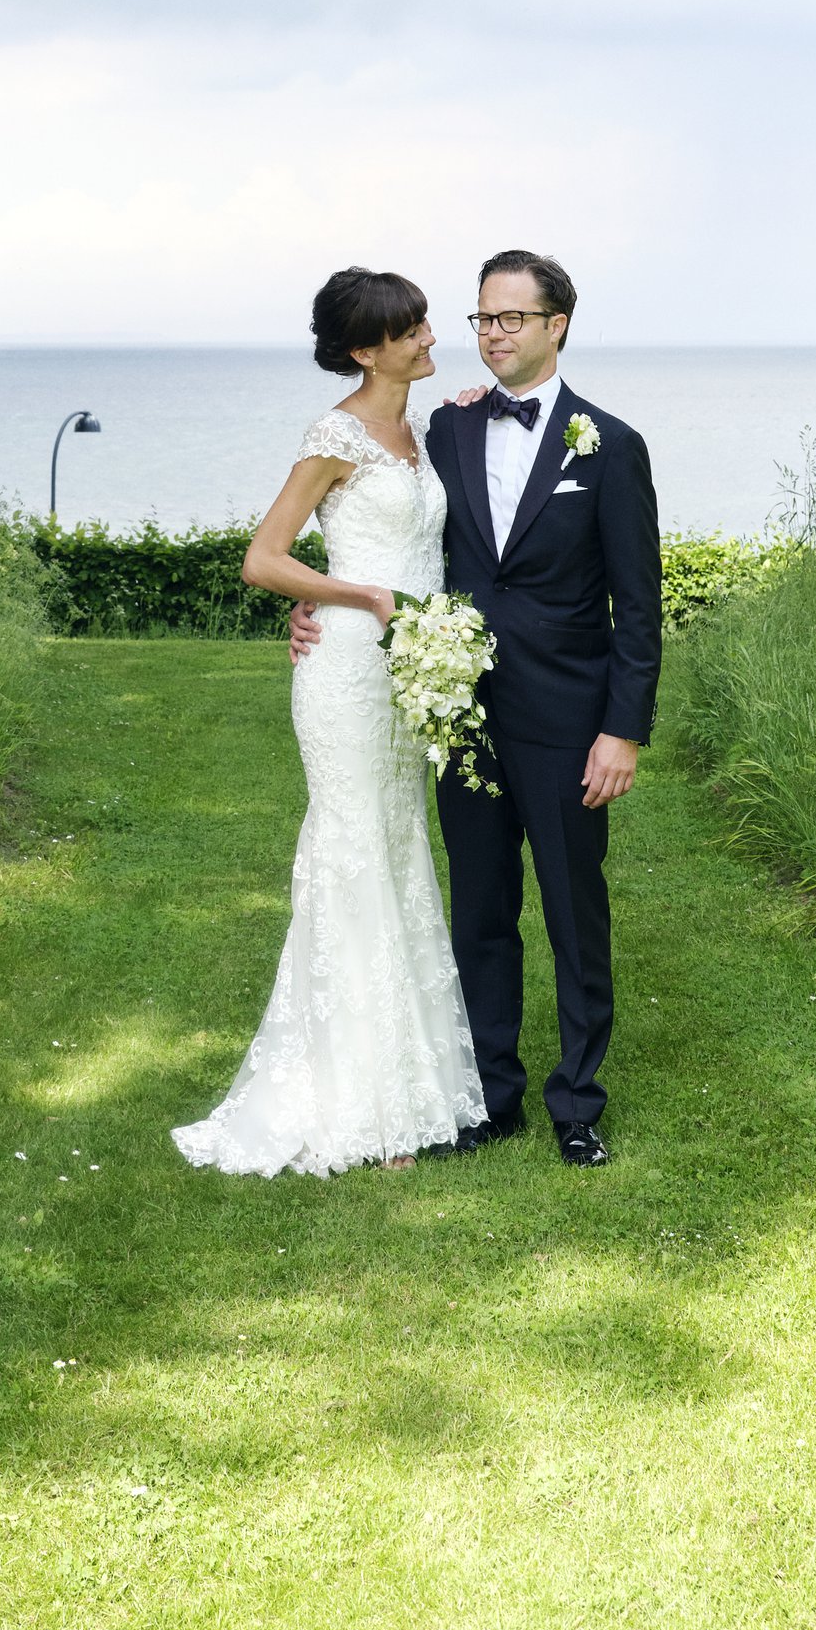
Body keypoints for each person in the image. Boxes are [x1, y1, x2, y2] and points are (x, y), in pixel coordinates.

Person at [291, 251, 660, 1167]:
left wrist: (623, 728)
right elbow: (393, 536)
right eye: (483, 319)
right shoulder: (444, 431)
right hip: (456, 713)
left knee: (575, 913)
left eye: (512, 319)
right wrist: (321, 602)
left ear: (556, 325)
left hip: (570, 720)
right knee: (480, 910)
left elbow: (639, 605)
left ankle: (576, 1100)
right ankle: (488, 1096)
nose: (493, 334)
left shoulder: (610, 446)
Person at [171, 267, 487, 1178]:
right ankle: (360, 1103)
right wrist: (360, 598)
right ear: (363, 349)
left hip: (415, 669)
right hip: (349, 668)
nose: (431, 335)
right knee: (351, 849)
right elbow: (264, 559)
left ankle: (412, 1087)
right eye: (411, 329)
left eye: (426, 321)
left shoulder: (425, 430)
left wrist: (418, 624)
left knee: (398, 846)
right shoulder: (334, 434)